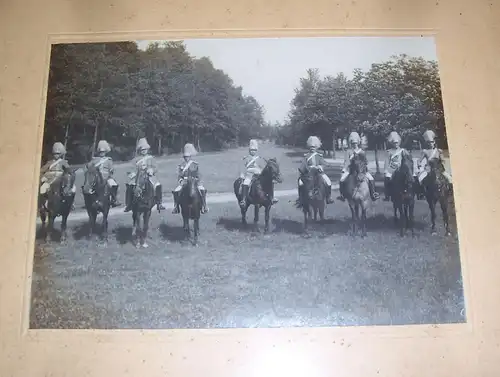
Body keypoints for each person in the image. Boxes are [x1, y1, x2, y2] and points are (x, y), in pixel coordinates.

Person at [124, 138, 165, 212]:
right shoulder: (135, 160)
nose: (144, 151)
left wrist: (151, 170)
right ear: (140, 150)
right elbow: (131, 169)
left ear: (147, 150)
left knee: (158, 185)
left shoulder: (151, 158)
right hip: (138, 177)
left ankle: (159, 203)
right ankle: (128, 204)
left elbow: (155, 167)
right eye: (142, 150)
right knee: (130, 186)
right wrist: (133, 174)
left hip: (149, 176)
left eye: (145, 149)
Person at [337, 131, 379, 202]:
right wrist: (344, 169)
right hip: (351, 170)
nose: (354, 144)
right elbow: (347, 161)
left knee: (371, 179)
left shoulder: (362, 151)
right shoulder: (348, 151)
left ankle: (373, 194)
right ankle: (343, 195)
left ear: (358, 143)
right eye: (353, 143)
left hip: (362, 171)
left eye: (356, 143)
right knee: (342, 179)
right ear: (351, 143)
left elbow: (366, 161)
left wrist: (366, 167)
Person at [171, 143, 209, 214]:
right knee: (176, 191)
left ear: (190, 157)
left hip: (194, 181)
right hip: (185, 182)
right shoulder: (181, 165)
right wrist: (181, 180)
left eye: (188, 157)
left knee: (202, 189)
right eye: (185, 157)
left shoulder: (195, 164)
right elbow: (179, 176)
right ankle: (176, 207)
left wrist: (197, 180)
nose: (186, 158)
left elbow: (199, 174)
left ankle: (204, 206)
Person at [238, 139, 277, 207]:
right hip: (249, 175)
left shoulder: (259, 158)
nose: (253, 151)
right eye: (252, 150)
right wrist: (242, 174)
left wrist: (261, 171)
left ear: (257, 150)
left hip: (259, 175)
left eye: (255, 150)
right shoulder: (246, 158)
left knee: (270, 182)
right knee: (246, 183)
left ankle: (271, 197)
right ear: (249, 150)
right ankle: (244, 200)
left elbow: (262, 167)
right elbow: (243, 167)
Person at [415, 129, 453, 198]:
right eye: (429, 142)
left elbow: (443, 160)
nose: (430, 143)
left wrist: (441, 160)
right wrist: (419, 164)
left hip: (439, 169)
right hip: (428, 169)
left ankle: (450, 192)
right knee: (420, 178)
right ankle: (422, 193)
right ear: (427, 143)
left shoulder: (438, 151)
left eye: (432, 142)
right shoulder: (425, 151)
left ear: (434, 142)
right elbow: (419, 160)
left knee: (450, 179)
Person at [297, 135, 334, 204]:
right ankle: (300, 198)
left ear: (316, 147)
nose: (312, 148)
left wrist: (320, 167)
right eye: (311, 147)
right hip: (308, 175)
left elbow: (325, 164)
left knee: (328, 182)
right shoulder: (306, 156)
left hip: (319, 174)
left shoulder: (319, 156)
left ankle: (328, 197)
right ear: (309, 147)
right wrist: (309, 168)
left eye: (314, 147)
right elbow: (302, 166)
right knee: (300, 183)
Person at [39, 142, 76, 207]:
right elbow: (42, 170)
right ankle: (43, 203)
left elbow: (69, 171)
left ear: (61, 154)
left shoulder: (64, 162)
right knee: (42, 188)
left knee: (73, 188)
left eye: (58, 154)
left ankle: (70, 203)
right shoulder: (49, 162)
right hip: (49, 178)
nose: (56, 155)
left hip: (61, 178)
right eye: (55, 154)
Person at [86, 140, 121, 207]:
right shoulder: (95, 159)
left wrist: (110, 171)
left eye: (103, 152)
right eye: (101, 152)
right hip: (96, 176)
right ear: (99, 152)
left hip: (106, 176)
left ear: (105, 152)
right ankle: (89, 201)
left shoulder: (108, 160)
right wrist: (90, 163)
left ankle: (114, 199)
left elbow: (111, 169)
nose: (102, 153)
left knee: (114, 185)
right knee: (89, 186)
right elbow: (88, 167)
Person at [383, 131, 409, 201]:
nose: (396, 144)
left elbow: (407, 160)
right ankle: (387, 195)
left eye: (397, 142)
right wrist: (386, 170)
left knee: (411, 178)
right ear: (392, 143)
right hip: (392, 169)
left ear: (399, 142)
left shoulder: (403, 151)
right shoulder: (389, 152)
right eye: (394, 143)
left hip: (401, 169)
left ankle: (412, 192)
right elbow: (387, 161)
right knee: (386, 178)